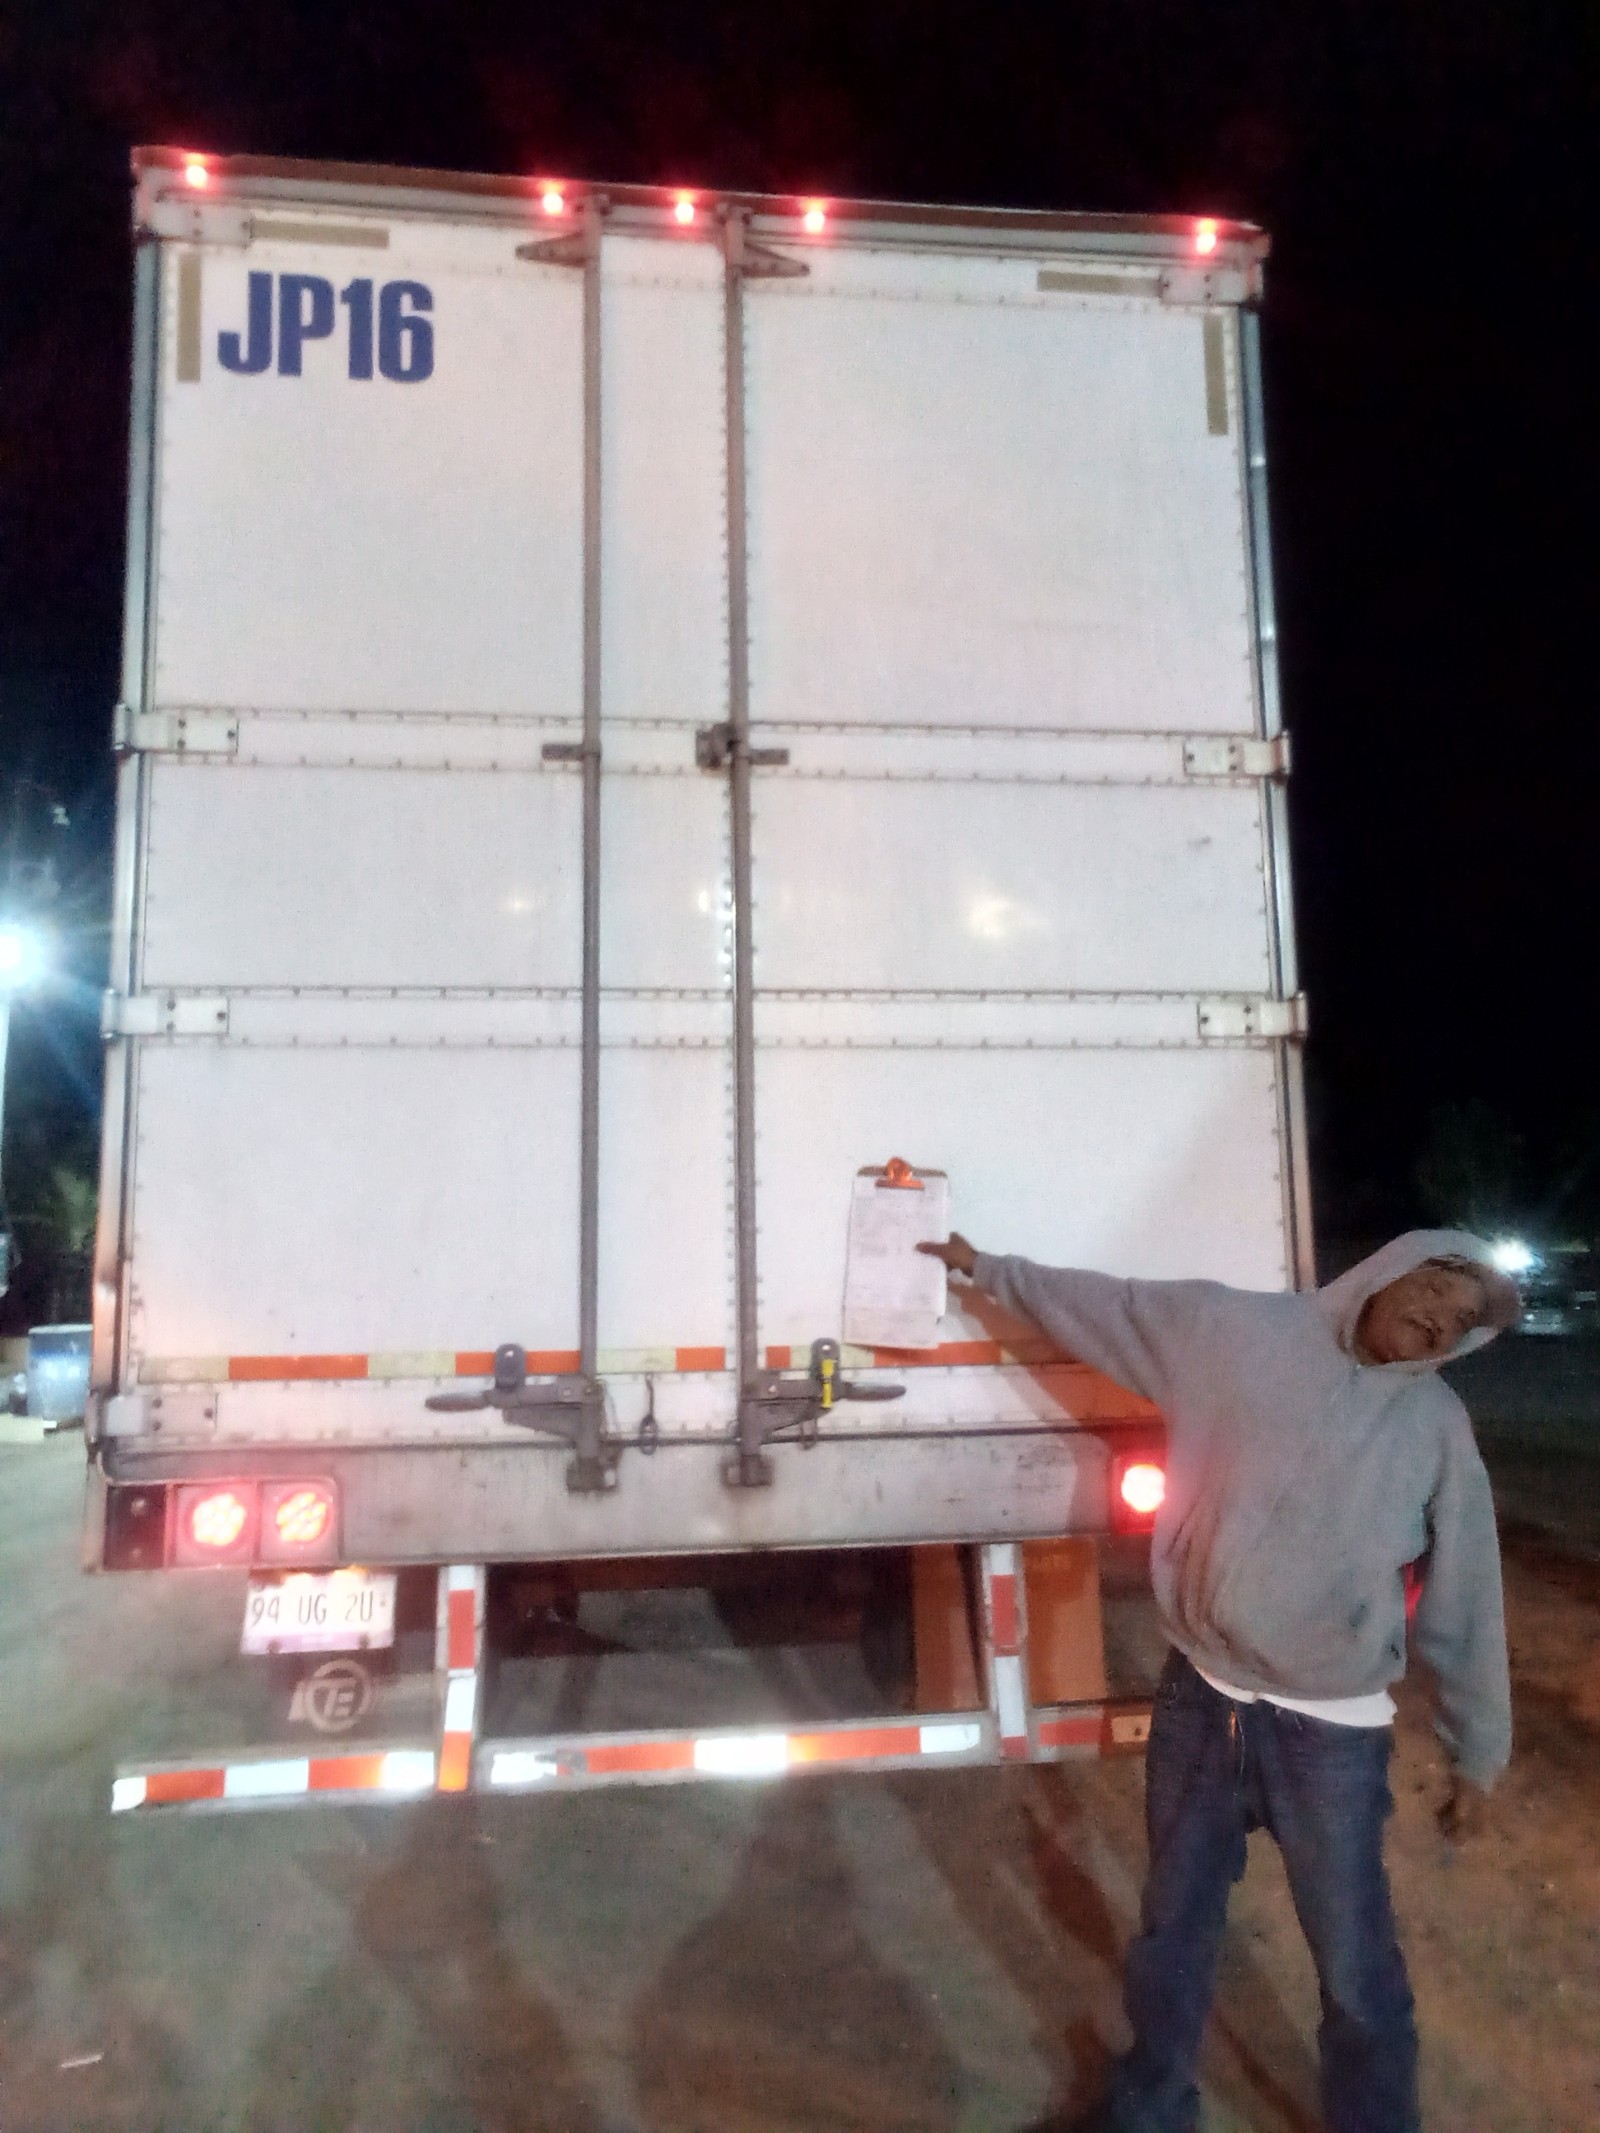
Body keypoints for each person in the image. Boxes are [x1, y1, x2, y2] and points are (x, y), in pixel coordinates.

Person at [917, 1228, 1520, 2133]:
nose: (1443, 1319)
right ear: (1390, 1269)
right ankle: (1152, 2109)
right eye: (1437, 1289)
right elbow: (1112, 1306)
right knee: (1173, 1933)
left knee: (1357, 1968)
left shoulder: (1436, 1427)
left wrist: (1479, 1749)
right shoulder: (1233, 1333)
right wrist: (990, 1269)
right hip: (1201, 1699)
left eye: (1465, 1318)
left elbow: (1467, 1591)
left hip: (1330, 1733)